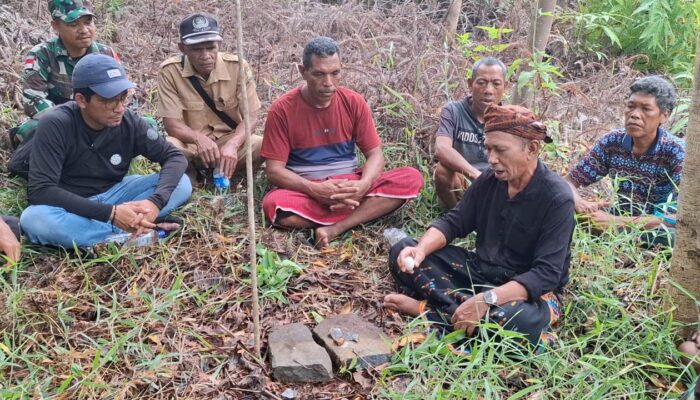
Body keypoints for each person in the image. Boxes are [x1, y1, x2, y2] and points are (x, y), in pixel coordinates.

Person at [385, 104, 575, 348]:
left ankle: (426, 309)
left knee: (517, 321)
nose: (491, 159)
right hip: (480, 271)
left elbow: (546, 274)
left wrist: (489, 299)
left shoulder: (557, 198)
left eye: (500, 150)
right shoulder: (490, 179)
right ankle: (460, 313)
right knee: (402, 250)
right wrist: (420, 250)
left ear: (533, 148)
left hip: (526, 292)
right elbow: (455, 222)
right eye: (488, 148)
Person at [261, 36, 424, 247]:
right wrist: (315, 190)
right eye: (319, 74)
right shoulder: (282, 110)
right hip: (307, 188)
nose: (328, 83)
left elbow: (375, 154)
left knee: (411, 178)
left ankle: (336, 227)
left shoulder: (353, 102)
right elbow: (274, 170)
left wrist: (363, 185)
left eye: (335, 73)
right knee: (275, 206)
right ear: (303, 72)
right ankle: (363, 211)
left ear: (341, 69)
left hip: (351, 185)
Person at [19, 54, 192, 248]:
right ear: (82, 100)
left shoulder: (129, 120)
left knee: (182, 183)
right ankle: (128, 234)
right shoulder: (56, 124)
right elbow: (41, 190)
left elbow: (174, 156)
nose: (119, 108)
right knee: (34, 219)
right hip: (72, 205)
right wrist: (111, 214)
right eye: (109, 100)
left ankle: (113, 235)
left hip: (117, 192)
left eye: (123, 98)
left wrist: (155, 203)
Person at [565, 76, 684, 246]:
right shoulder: (612, 142)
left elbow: (681, 217)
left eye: (646, 109)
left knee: (676, 238)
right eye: (631, 106)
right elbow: (569, 182)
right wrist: (579, 202)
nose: (634, 115)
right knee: (560, 207)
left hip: (654, 227)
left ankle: (617, 239)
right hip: (619, 215)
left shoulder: (676, 151)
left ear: (664, 116)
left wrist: (615, 222)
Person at [157, 12, 262, 183]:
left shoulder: (238, 67)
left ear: (219, 44)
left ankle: (231, 175)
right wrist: (199, 139)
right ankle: (192, 178)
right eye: (197, 49)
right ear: (182, 48)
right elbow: (172, 124)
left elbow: (251, 117)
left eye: (211, 47)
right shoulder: (170, 71)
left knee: (260, 144)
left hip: (228, 142)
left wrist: (233, 144)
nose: (205, 55)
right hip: (191, 146)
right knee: (169, 146)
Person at [11, 0, 118, 147]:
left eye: (88, 22)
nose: (84, 30)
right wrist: (75, 125)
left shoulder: (106, 54)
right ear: (56, 26)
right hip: (60, 124)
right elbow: (33, 100)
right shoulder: (42, 54)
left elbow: (124, 93)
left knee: (146, 124)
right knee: (30, 130)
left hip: (99, 121)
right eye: (73, 24)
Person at [434, 57, 507, 209]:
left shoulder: (509, 118)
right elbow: (441, 149)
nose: (488, 90)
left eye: (496, 84)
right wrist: (476, 175)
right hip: (462, 185)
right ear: (470, 84)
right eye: (481, 82)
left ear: (505, 87)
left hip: (496, 187)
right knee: (442, 171)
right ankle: (455, 218)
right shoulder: (453, 110)